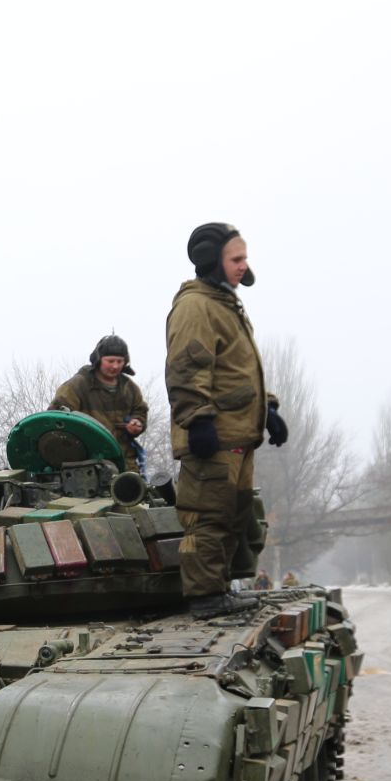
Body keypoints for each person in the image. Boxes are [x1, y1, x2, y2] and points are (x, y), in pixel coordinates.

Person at [165, 223, 287, 617]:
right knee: (208, 518)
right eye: (236, 259)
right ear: (212, 260)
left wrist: (267, 409)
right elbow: (187, 368)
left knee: (234, 515)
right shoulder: (195, 306)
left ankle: (219, 589)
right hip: (213, 435)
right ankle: (205, 596)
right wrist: (197, 420)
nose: (243, 266)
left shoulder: (225, 303)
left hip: (236, 434)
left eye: (245, 258)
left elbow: (239, 369)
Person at [52, 334, 149, 473]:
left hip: (124, 462)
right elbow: (58, 415)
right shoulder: (78, 385)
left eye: (119, 361)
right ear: (98, 359)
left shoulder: (130, 388)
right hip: (87, 463)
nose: (115, 366)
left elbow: (140, 410)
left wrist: (137, 422)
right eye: (110, 361)